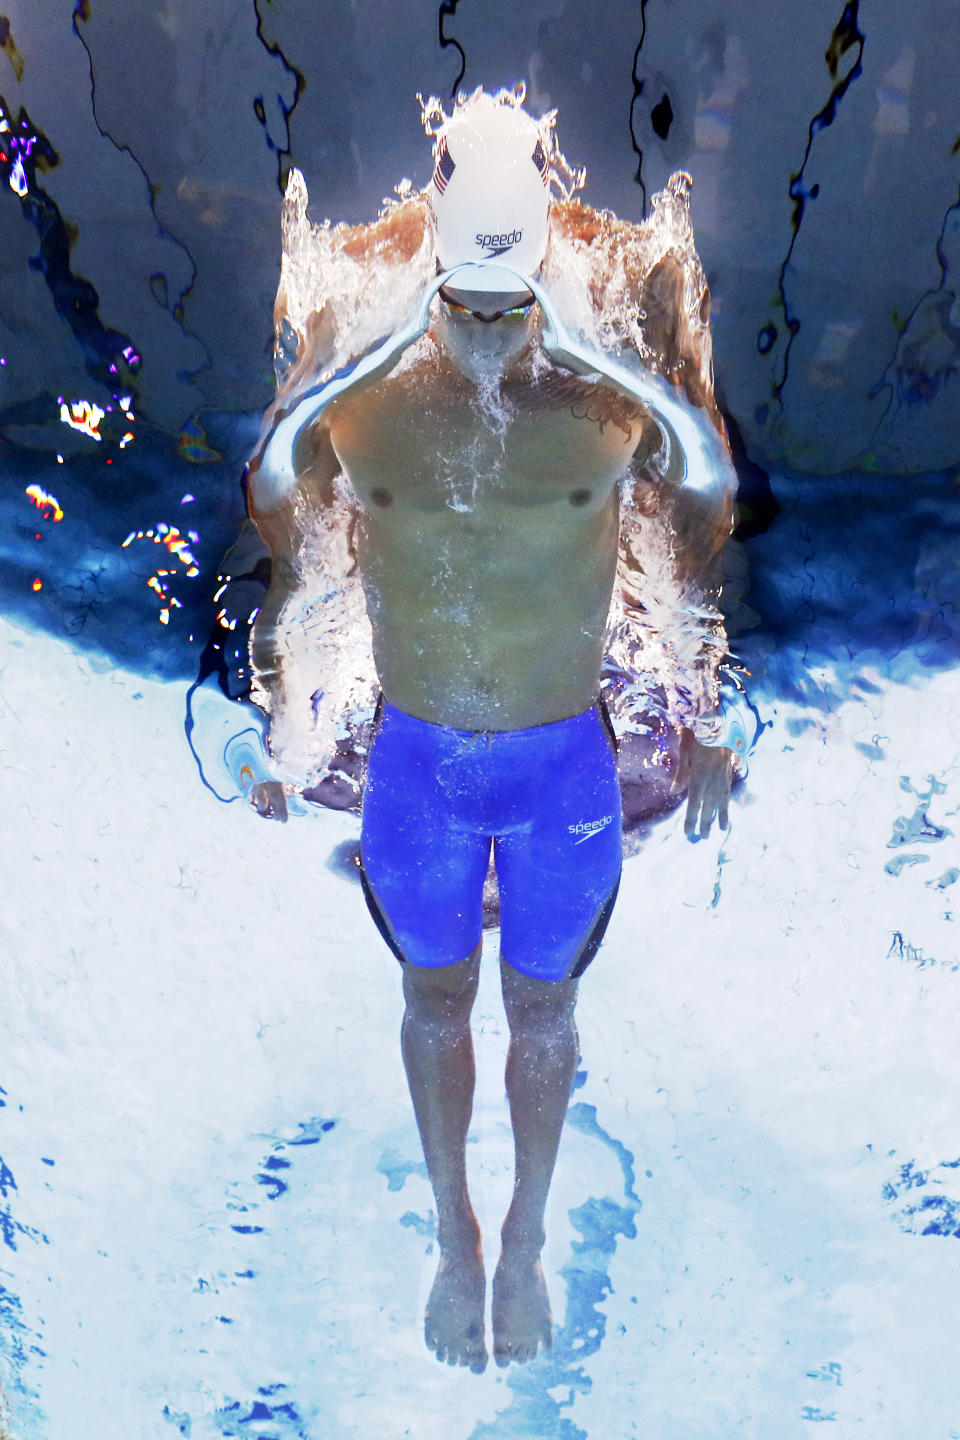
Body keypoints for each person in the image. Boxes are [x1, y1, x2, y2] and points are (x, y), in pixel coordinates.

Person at [244, 88, 743, 1372]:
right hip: (414, 762)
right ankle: (453, 1232)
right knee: (430, 1002)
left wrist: (604, 358)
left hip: (563, 762)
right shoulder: (372, 379)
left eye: (503, 312)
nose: (479, 343)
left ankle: (524, 1228)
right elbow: (272, 497)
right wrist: (366, 357)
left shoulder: (601, 394)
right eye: (458, 313)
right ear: (430, 289)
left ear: (539, 288)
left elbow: (706, 501)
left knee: (545, 1016)